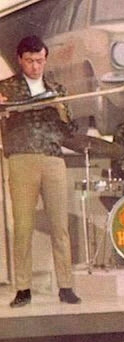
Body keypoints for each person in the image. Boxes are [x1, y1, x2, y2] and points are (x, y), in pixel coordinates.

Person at [0, 35, 81, 308]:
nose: (35, 66)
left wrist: (60, 108)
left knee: (60, 226)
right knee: (23, 226)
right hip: (21, 159)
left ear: (45, 60)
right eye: (30, 61)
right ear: (20, 60)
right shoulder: (6, 88)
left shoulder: (56, 88)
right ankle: (23, 288)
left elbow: (71, 130)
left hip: (53, 158)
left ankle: (66, 286)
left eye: (40, 61)